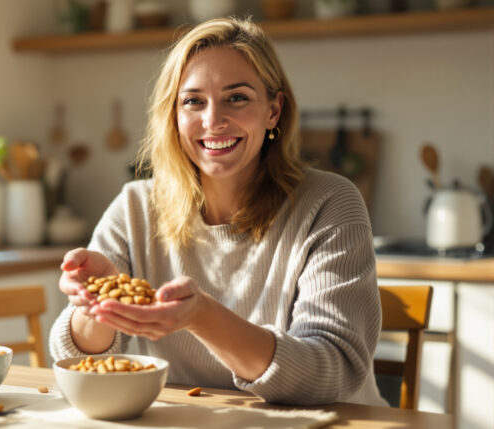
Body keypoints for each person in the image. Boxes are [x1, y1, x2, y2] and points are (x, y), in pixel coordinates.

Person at [49, 17, 387, 407]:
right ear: (174, 116)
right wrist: (99, 304)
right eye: (193, 101)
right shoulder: (135, 207)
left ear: (274, 110)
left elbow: (332, 373)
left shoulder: (329, 203)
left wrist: (203, 317)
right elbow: (72, 359)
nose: (213, 121)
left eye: (237, 97)